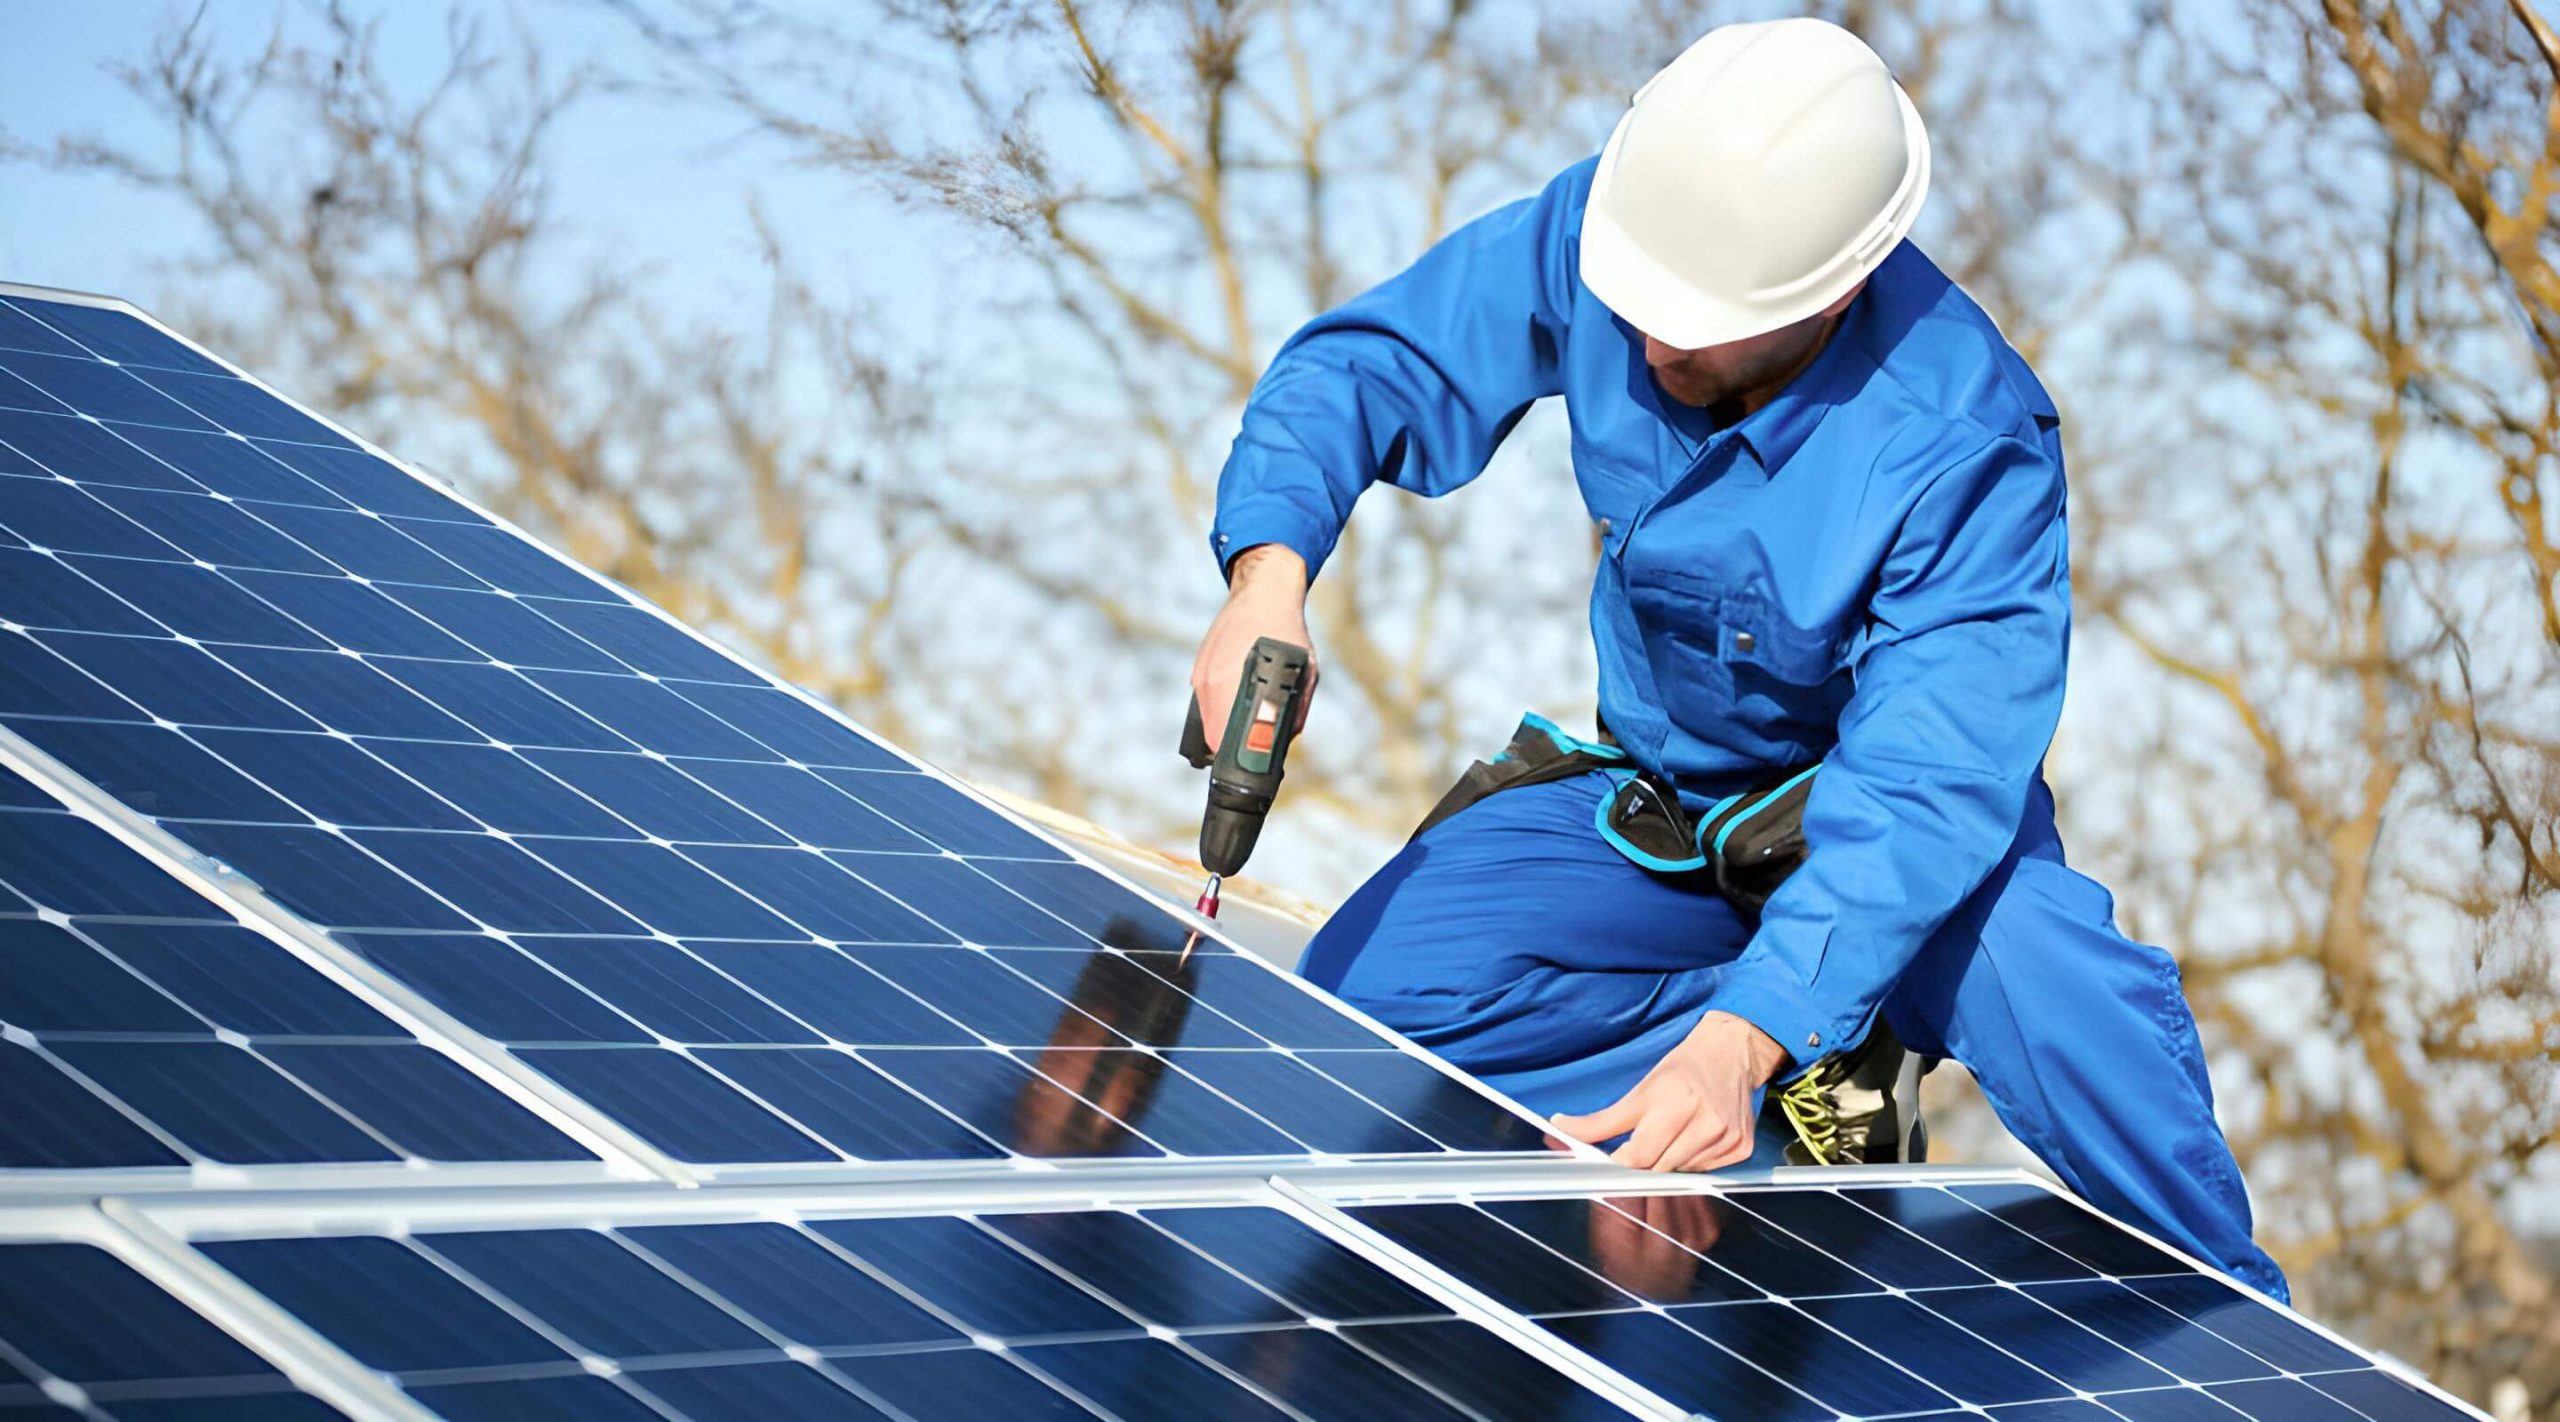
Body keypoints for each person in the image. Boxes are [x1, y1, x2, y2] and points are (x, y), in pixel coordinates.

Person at [1188, 17, 2285, 1298]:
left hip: (1869, 838)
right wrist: (1268, 577)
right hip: (1660, 817)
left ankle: (2246, 1331)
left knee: (2062, 999)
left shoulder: (1964, 439)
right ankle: (1814, 1056)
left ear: (1827, 294)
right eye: (1637, 311)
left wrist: (1750, 1029)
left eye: (1696, 330)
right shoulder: (1617, 229)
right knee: (1360, 1005)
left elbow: (1925, 787)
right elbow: (1379, 362)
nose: (1650, 350)